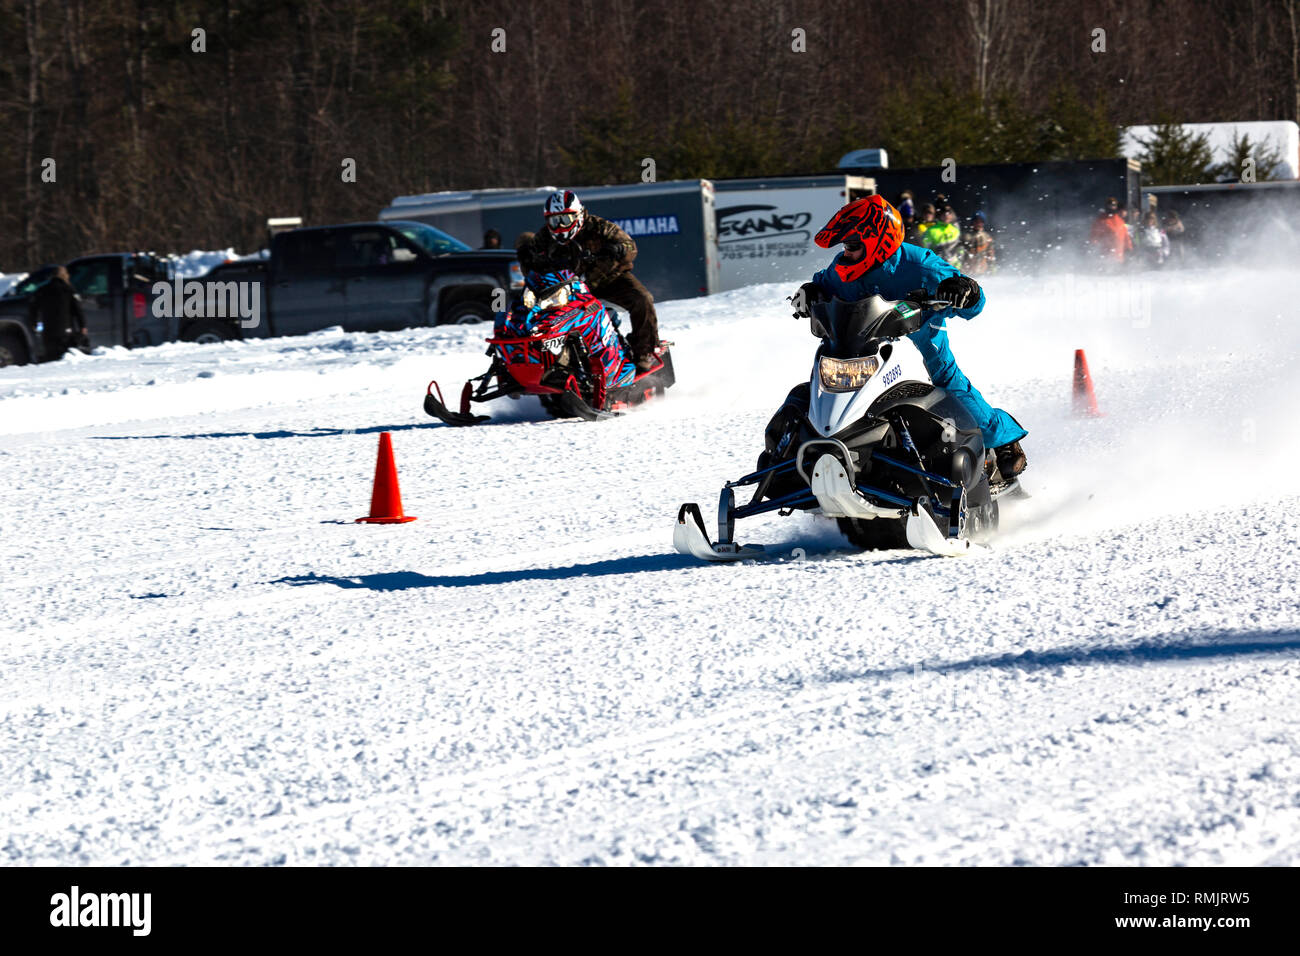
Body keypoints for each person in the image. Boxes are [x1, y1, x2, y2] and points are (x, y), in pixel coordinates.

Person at [788, 195, 1028, 482]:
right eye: (846, 246)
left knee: (948, 383)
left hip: (920, 344)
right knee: (813, 394)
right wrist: (810, 292)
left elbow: (975, 304)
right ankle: (793, 463)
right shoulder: (843, 270)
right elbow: (824, 283)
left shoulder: (921, 266)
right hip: (862, 349)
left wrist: (965, 290)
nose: (846, 253)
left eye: (852, 246)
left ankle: (1001, 440)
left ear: (877, 241)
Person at [517, 190, 661, 371]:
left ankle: (644, 351)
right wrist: (525, 257)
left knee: (642, 299)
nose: (560, 226)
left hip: (607, 280)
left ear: (577, 215)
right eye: (555, 221)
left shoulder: (598, 226)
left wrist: (616, 250)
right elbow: (531, 269)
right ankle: (537, 360)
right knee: (532, 314)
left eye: (565, 220)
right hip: (566, 289)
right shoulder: (544, 237)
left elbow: (629, 245)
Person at [32, 265, 87, 361]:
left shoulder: (42, 290)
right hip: (66, 331)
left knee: (50, 357)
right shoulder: (68, 290)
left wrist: (34, 323)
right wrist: (82, 326)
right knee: (65, 357)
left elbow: (33, 308)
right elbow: (78, 309)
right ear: (64, 275)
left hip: (48, 331)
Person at [1089, 197, 1132, 267]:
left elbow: (1126, 236)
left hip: (1119, 257)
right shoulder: (1101, 221)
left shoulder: (1120, 221)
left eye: (1114, 206)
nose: (1112, 207)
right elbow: (1094, 237)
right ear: (1106, 206)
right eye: (1110, 205)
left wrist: (1129, 248)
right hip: (1106, 257)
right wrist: (1093, 247)